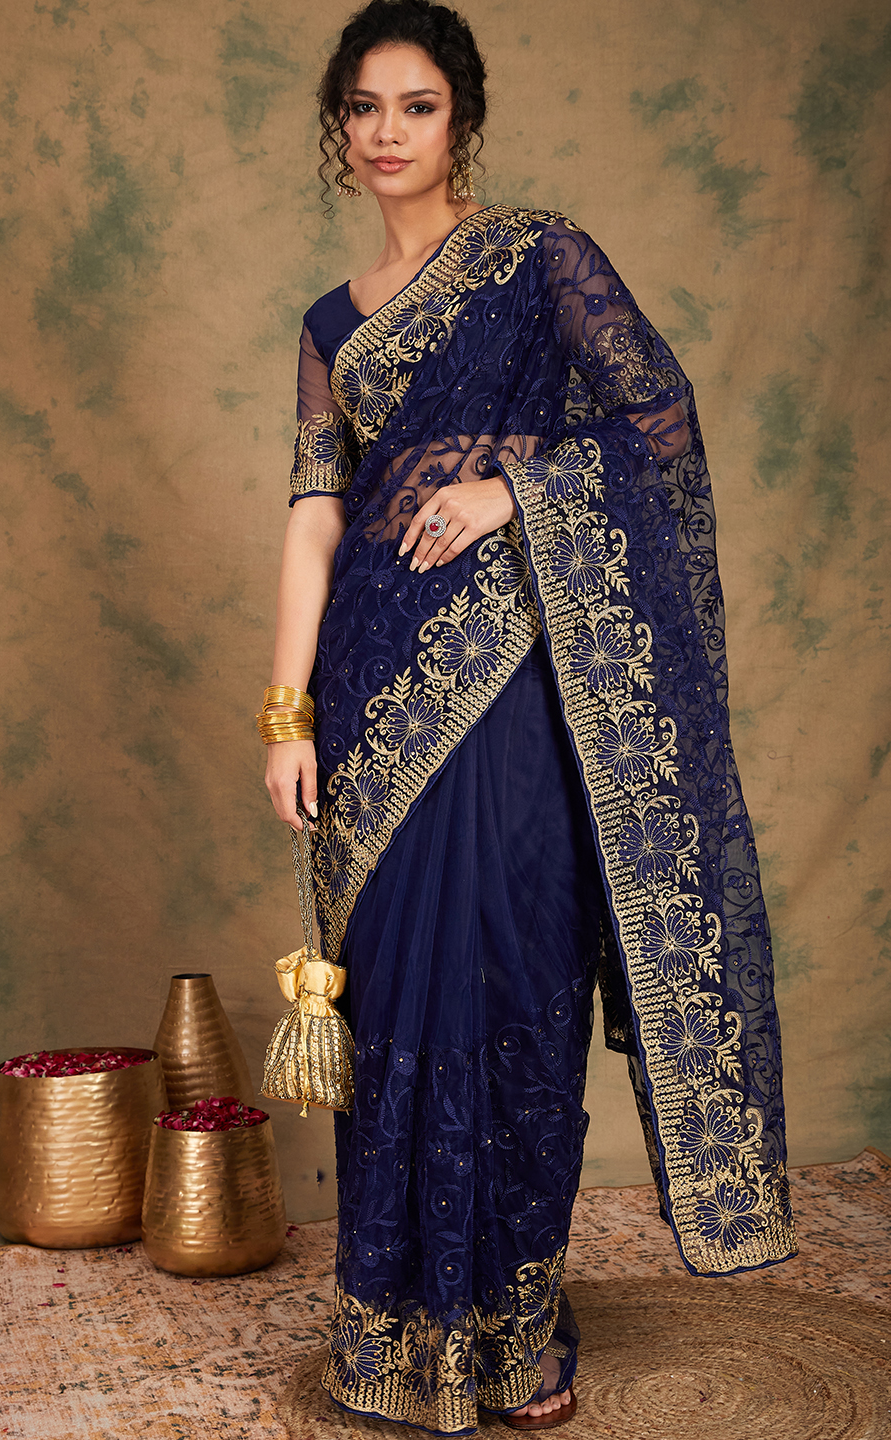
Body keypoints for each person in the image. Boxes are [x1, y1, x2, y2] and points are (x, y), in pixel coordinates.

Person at [259, 1, 796, 1431]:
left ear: (463, 121)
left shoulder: (538, 256)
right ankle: (394, 1335)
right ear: (338, 128)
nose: (387, 132)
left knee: (508, 977)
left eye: (417, 105)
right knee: (394, 1002)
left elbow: (659, 418)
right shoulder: (329, 326)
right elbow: (316, 516)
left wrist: (515, 492)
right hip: (374, 697)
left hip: (510, 686)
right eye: (364, 107)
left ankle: (514, 1328)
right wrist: (285, 711)